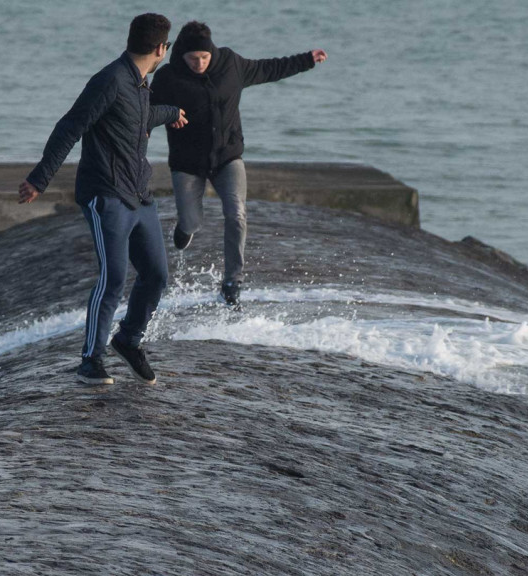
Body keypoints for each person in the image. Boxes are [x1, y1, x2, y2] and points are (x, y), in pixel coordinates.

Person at [17, 13, 189, 386]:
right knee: (113, 278)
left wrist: (171, 113)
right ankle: (90, 361)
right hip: (106, 194)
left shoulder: (141, 83)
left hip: (139, 194)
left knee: (156, 274)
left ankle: (128, 339)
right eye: (167, 47)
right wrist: (39, 178)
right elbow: (70, 127)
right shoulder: (109, 80)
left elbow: (139, 120)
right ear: (160, 48)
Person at [151, 21, 327, 305]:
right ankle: (185, 227)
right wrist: (164, 116)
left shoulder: (230, 64)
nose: (199, 64)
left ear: (212, 52)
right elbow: (147, 112)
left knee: (237, 214)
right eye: (193, 59)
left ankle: (233, 280)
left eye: (204, 58)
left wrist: (306, 60)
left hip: (227, 157)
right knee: (192, 223)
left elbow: (268, 69)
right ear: (181, 55)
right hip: (187, 163)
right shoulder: (168, 78)